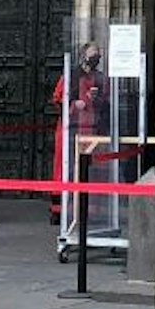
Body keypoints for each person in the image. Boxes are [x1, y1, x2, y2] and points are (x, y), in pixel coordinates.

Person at [49, 42, 106, 224]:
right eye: (93, 54)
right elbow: (57, 98)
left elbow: (107, 102)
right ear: (84, 55)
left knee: (88, 168)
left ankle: (86, 210)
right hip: (70, 128)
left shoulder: (100, 78)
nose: (96, 57)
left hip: (90, 128)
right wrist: (74, 104)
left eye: (98, 54)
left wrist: (95, 100)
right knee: (64, 166)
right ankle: (59, 210)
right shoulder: (71, 75)